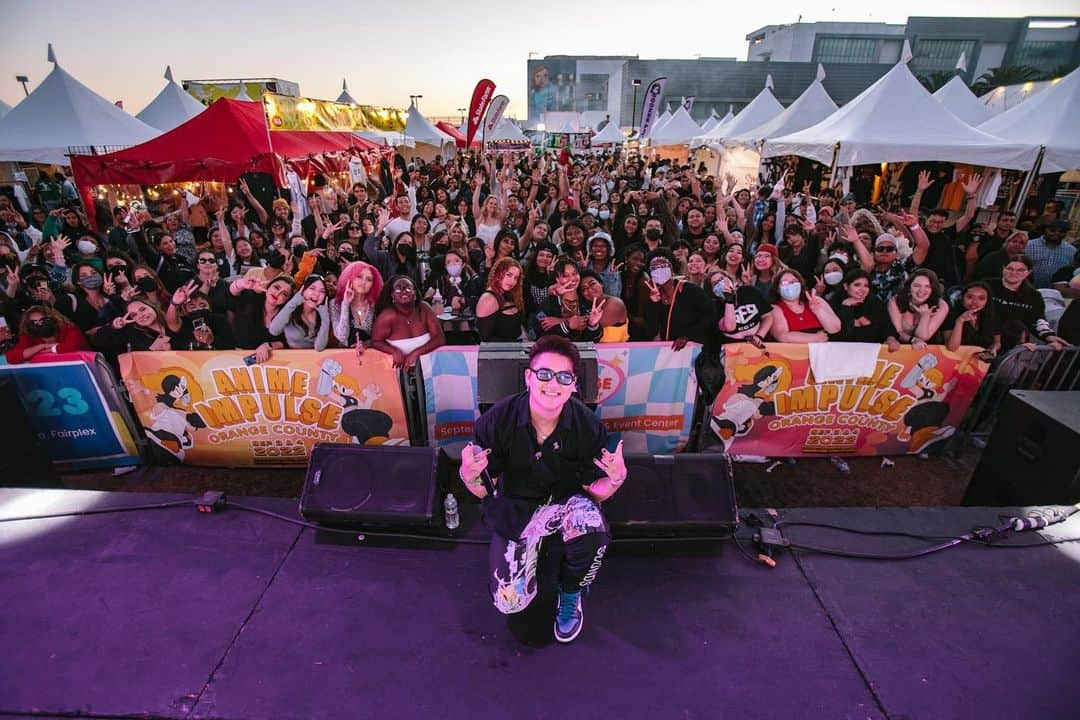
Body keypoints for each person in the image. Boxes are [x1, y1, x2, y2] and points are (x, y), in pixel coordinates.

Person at [461, 335, 626, 644]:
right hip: (516, 508)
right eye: (545, 374)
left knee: (595, 531)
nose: (553, 384)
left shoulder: (588, 426)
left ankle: (571, 591)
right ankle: (530, 557)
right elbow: (484, 493)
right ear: (528, 377)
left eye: (564, 376)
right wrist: (470, 478)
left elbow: (596, 493)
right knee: (510, 602)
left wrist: (615, 479)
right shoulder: (497, 421)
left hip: (565, 502)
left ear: (574, 384)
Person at [987, 255, 1067, 351]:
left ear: (1028, 273)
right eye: (1009, 268)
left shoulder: (1034, 296)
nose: (1013, 273)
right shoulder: (988, 285)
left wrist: (1049, 336)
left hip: (1014, 343)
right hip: (985, 337)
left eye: (1020, 270)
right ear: (1003, 269)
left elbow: (1038, 319)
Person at [642, 248, 714, 349]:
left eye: (663, 266)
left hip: (694, 349)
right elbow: (651, 332)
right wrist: (654, 304)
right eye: (654, 268)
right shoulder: (652, 297)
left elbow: (709, 316)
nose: (659, 270)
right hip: (668, 353)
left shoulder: (690, 290)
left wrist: (688, 336)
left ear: (671, 268)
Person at [370, 274, 445, 369]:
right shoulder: (387, 316)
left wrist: (416, 353)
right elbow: (376, 341)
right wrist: (394, 351)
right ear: (392, 295)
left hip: (430, 370)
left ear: (415, 293)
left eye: (408, 287)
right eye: (398, 288)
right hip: (399, 372)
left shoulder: (424, 308)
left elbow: (439, 338)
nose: (404, 291)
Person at [534, 257, 602, 342]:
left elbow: (595, 340)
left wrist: (593, 326)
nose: (572, 279)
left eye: (574, 273)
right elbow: (538, 336)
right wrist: (566, 325)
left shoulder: (586, 301)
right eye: (566, 275)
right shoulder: (548, 303)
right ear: (557, 279)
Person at [830, 269, 899, 349]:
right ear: (846, 286)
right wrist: (846, 306)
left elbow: (887, 328)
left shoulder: (875, 302)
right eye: (857, 285)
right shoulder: (835, 303)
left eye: (866, 286)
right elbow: (843, 335)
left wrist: (891, 339)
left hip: (872, 355)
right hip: (841, 353)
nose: (862, 289)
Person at [227, 275, 291, 362]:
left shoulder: (287, 316)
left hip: (270, 365)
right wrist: (241, 283)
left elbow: (286, 342)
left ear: (287, 300)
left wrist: (268, 346)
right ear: (268, 287)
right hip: (237, 361)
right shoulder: (251, 299)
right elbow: (232, 293)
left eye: (284, 294)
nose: (278, 293)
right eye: (276, 287)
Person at [768, 269, 841, 343]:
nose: (790, 284)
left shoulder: (814, 300)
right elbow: (782, 336)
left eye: (794, 281)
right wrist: (816, 338)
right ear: (777, 288)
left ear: (800, 285)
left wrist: (819, 311)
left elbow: (835, 329)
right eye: (784, 282)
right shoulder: (775, 308)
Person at [887, 269, 950, 348]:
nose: (921, 290)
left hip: (929, 348)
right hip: (900, 347)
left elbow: (923, 337)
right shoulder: (895, 302)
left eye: (928, 286)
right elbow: (898, 332)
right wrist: (913, 340)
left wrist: (924, 316)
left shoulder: (941, 306)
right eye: (917, 285)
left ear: (933, 289)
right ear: (909, 286)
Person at [5, 305, 89, 363]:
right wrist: (42, 347)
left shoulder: (69, 328)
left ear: (52, 318)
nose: (39, 324)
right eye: (33, 322)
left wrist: (49, 349)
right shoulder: (29, 335)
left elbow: (72, 346)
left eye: (42, 320)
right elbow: (11, 357)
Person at [269, 274, 331, 351]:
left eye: (322, 291)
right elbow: (274, 330)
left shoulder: (324, 314)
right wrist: (295, 301)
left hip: (315, 358)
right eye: (312, 288)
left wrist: (325, 317)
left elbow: (319, 347)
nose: (316, 294)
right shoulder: (291, 308)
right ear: (303, 290)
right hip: (291, 357)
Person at [331, 261, 383, 351]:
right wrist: (345, 304)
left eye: (369, 279)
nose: (363, 282)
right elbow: (342, 337)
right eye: (359, 276)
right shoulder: (336, 303)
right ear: (349, 277)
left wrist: (366, 344)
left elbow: (382, 337)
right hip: (345, 357)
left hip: (371, 357)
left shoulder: (376, 305)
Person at [944, 281, 1001, 360]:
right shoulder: (950, 316)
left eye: (981, 298)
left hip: (981, 364)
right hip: (955, 361)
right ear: (962, 297)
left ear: (987, 301)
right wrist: (960, 321)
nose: (974, 301)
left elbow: (997, 341)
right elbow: (952, 348)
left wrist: (993, 348)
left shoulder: (992, 317)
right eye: (970, 297)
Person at [476, 257, 525, 342]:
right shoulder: (488, 299)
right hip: (499, 352)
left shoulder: (508, 293)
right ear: (498, 273)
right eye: (509, 275)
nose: (512, 281)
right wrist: (516, 344)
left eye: (516, 278)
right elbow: (486, 340)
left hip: (516, 348)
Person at [579, 268, 628, 343]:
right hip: (595, 352)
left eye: (592, 284)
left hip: (616, 353)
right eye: (584, 288)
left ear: (601, 284)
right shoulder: (586, 307)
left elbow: (584, 328)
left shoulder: (616, 304)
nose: (589, 289)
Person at [1024, 220, 1076, 288]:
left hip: (1055, 293)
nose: (1056, 233)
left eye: (1061, 231)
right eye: (1053, 230)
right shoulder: (1028, 245)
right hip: (1028, 289)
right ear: (1045, 230)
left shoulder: (1071, 250)